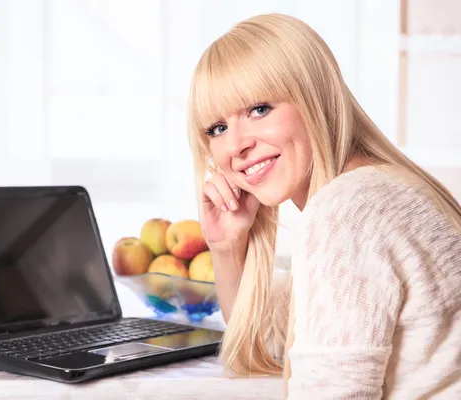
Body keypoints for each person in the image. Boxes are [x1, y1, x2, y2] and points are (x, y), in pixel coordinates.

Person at [186, 13, 461, 399]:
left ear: (314, 96)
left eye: (259, 109)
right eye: (218, 129)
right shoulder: (383, 187)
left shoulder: (347, 210)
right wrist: (228, 247)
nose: (235, 147)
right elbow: (272, 344)